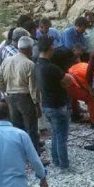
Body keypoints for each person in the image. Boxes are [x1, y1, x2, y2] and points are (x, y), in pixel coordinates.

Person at [0, 36, 41, 155]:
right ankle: (35, 156)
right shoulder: (29, 64)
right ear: (29, 49)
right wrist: (37, 105)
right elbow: (33, 88)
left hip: (11, 98)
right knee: (31, 129)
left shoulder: (7, 61)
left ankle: (22, 155)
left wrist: (5, 91)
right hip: (25, 99)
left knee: (17, 128)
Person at [35, 36, 72, 171]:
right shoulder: (52, 67)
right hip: (58, 105)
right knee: (62, 136)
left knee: (56, 134)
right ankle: (64, 165)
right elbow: (68, 80)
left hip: (46, 105)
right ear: (50, 48)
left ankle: (56, 160)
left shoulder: (37, 65)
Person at [66, 44, 94, 129]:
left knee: (74, 99)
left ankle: (75, 115)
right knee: (90, 98)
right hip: (73, 85)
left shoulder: (82, 65)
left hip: (68, 84)